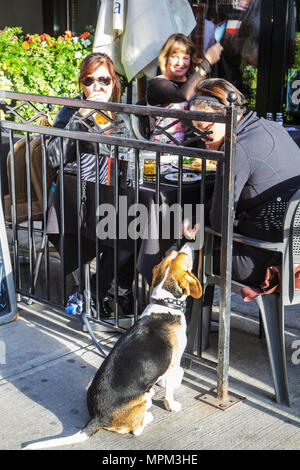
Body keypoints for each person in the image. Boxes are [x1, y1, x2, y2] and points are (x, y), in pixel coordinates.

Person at [188, 78, 300, 347]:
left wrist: (193, 225)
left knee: (190, 246)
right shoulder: (273, 127)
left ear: (226, 118)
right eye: (196, 131)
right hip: (291, 254)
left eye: (205, 131)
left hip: (260, 262)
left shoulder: (236, 148)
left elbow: (219, 222)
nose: (202, 140)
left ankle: (191, 340)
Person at [47, 52, 134, 318]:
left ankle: (111, 291)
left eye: (104, 80)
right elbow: (53, 156)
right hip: (77, 199)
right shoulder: (72, 110)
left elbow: (129, 154)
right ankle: (100, 293)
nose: (97, 86)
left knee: (144, 220)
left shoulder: (118, 113)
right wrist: (80, 117)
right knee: (127, 229)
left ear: (113, 83)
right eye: (90, 80)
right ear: (81, 85)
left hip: (112, 192)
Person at [145, 33, 223, 144]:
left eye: (185, 58)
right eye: (174, 57)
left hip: (193, 151)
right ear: (166, 58)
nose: (180, 63)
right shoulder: (156, 85)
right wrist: (207, 62)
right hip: (164, 153)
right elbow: (183, 95)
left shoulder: (192, 83)